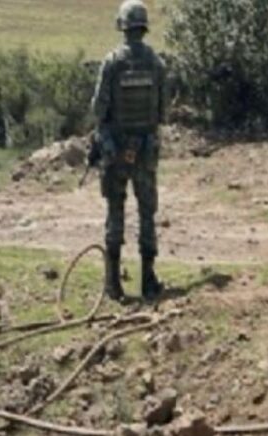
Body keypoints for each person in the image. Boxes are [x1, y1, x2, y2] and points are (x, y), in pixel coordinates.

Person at [92, 0, 168, 302]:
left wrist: (111, 140)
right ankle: (148, 281)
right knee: (147, 213)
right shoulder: (156, 63)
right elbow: (163, 113)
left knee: (115, 211)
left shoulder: (112, 63)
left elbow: (98, 110)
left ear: (122, 27)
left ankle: (114, 284)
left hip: (116, 150)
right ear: (144, 28)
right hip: (146, 150)